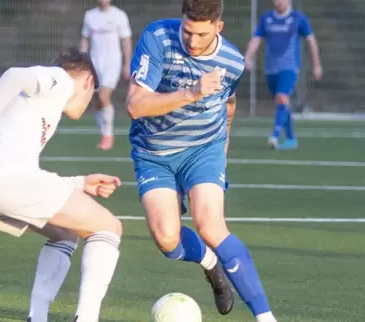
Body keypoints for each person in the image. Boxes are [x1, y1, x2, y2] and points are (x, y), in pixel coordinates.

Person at [0, 46, 122, 322]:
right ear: (87, 82)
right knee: (109, 226)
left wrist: (80, 183)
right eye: (92, 93)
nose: (88, 103)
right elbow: (14, 74)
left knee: (66, 233)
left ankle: (37, 318)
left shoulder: (35, 105)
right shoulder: (60, 81)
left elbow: (25, 174)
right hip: (0, 182)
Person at [126, 0, 278, 321]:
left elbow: (229, 103)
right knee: (168, 240)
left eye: (201, 34)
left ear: (218, 27)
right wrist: (192, 92)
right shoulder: (157, 38)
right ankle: (210, 264)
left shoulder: (232, 62)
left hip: (203, 148)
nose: (192, 42)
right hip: (154, 152)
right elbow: (136, 106)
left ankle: (265, 317)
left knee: (210, 225)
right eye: (187, 31)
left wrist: (223, 147)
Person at [244, 0, 322, 150]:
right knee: (282, 103)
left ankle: (275, 135)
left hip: (290, 67)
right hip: (271, 69)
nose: (278, 2)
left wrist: (316, 64)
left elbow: (311, 41)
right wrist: (248, 57)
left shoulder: (298, 18)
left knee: (282, 97)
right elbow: (256, 39)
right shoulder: (266, 18)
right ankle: (291, 138)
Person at [80, 0, 132, 150]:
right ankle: (103, 132)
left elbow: (126, 41)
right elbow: (85, 40)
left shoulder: (119, 15)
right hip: (94, 63)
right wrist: (82, 62)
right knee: (97, 99)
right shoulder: (89, 16)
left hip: (112, 63)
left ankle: (108, 135)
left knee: (104, 96)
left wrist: (127, 64)